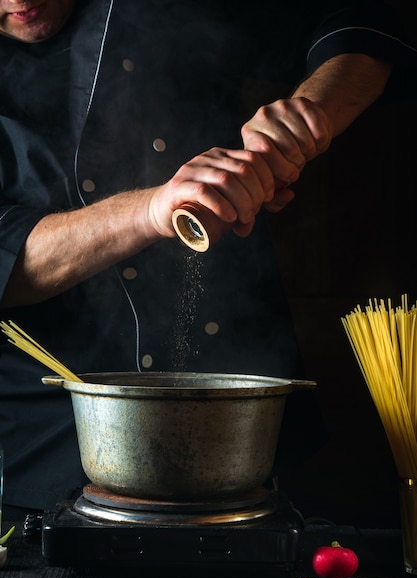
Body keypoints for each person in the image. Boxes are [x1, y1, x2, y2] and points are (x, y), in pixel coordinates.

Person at [0, 0, 415, 517]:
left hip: (238, 421)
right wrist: (152, 210)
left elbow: (362, 24)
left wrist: (306, 121)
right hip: (44, 450)